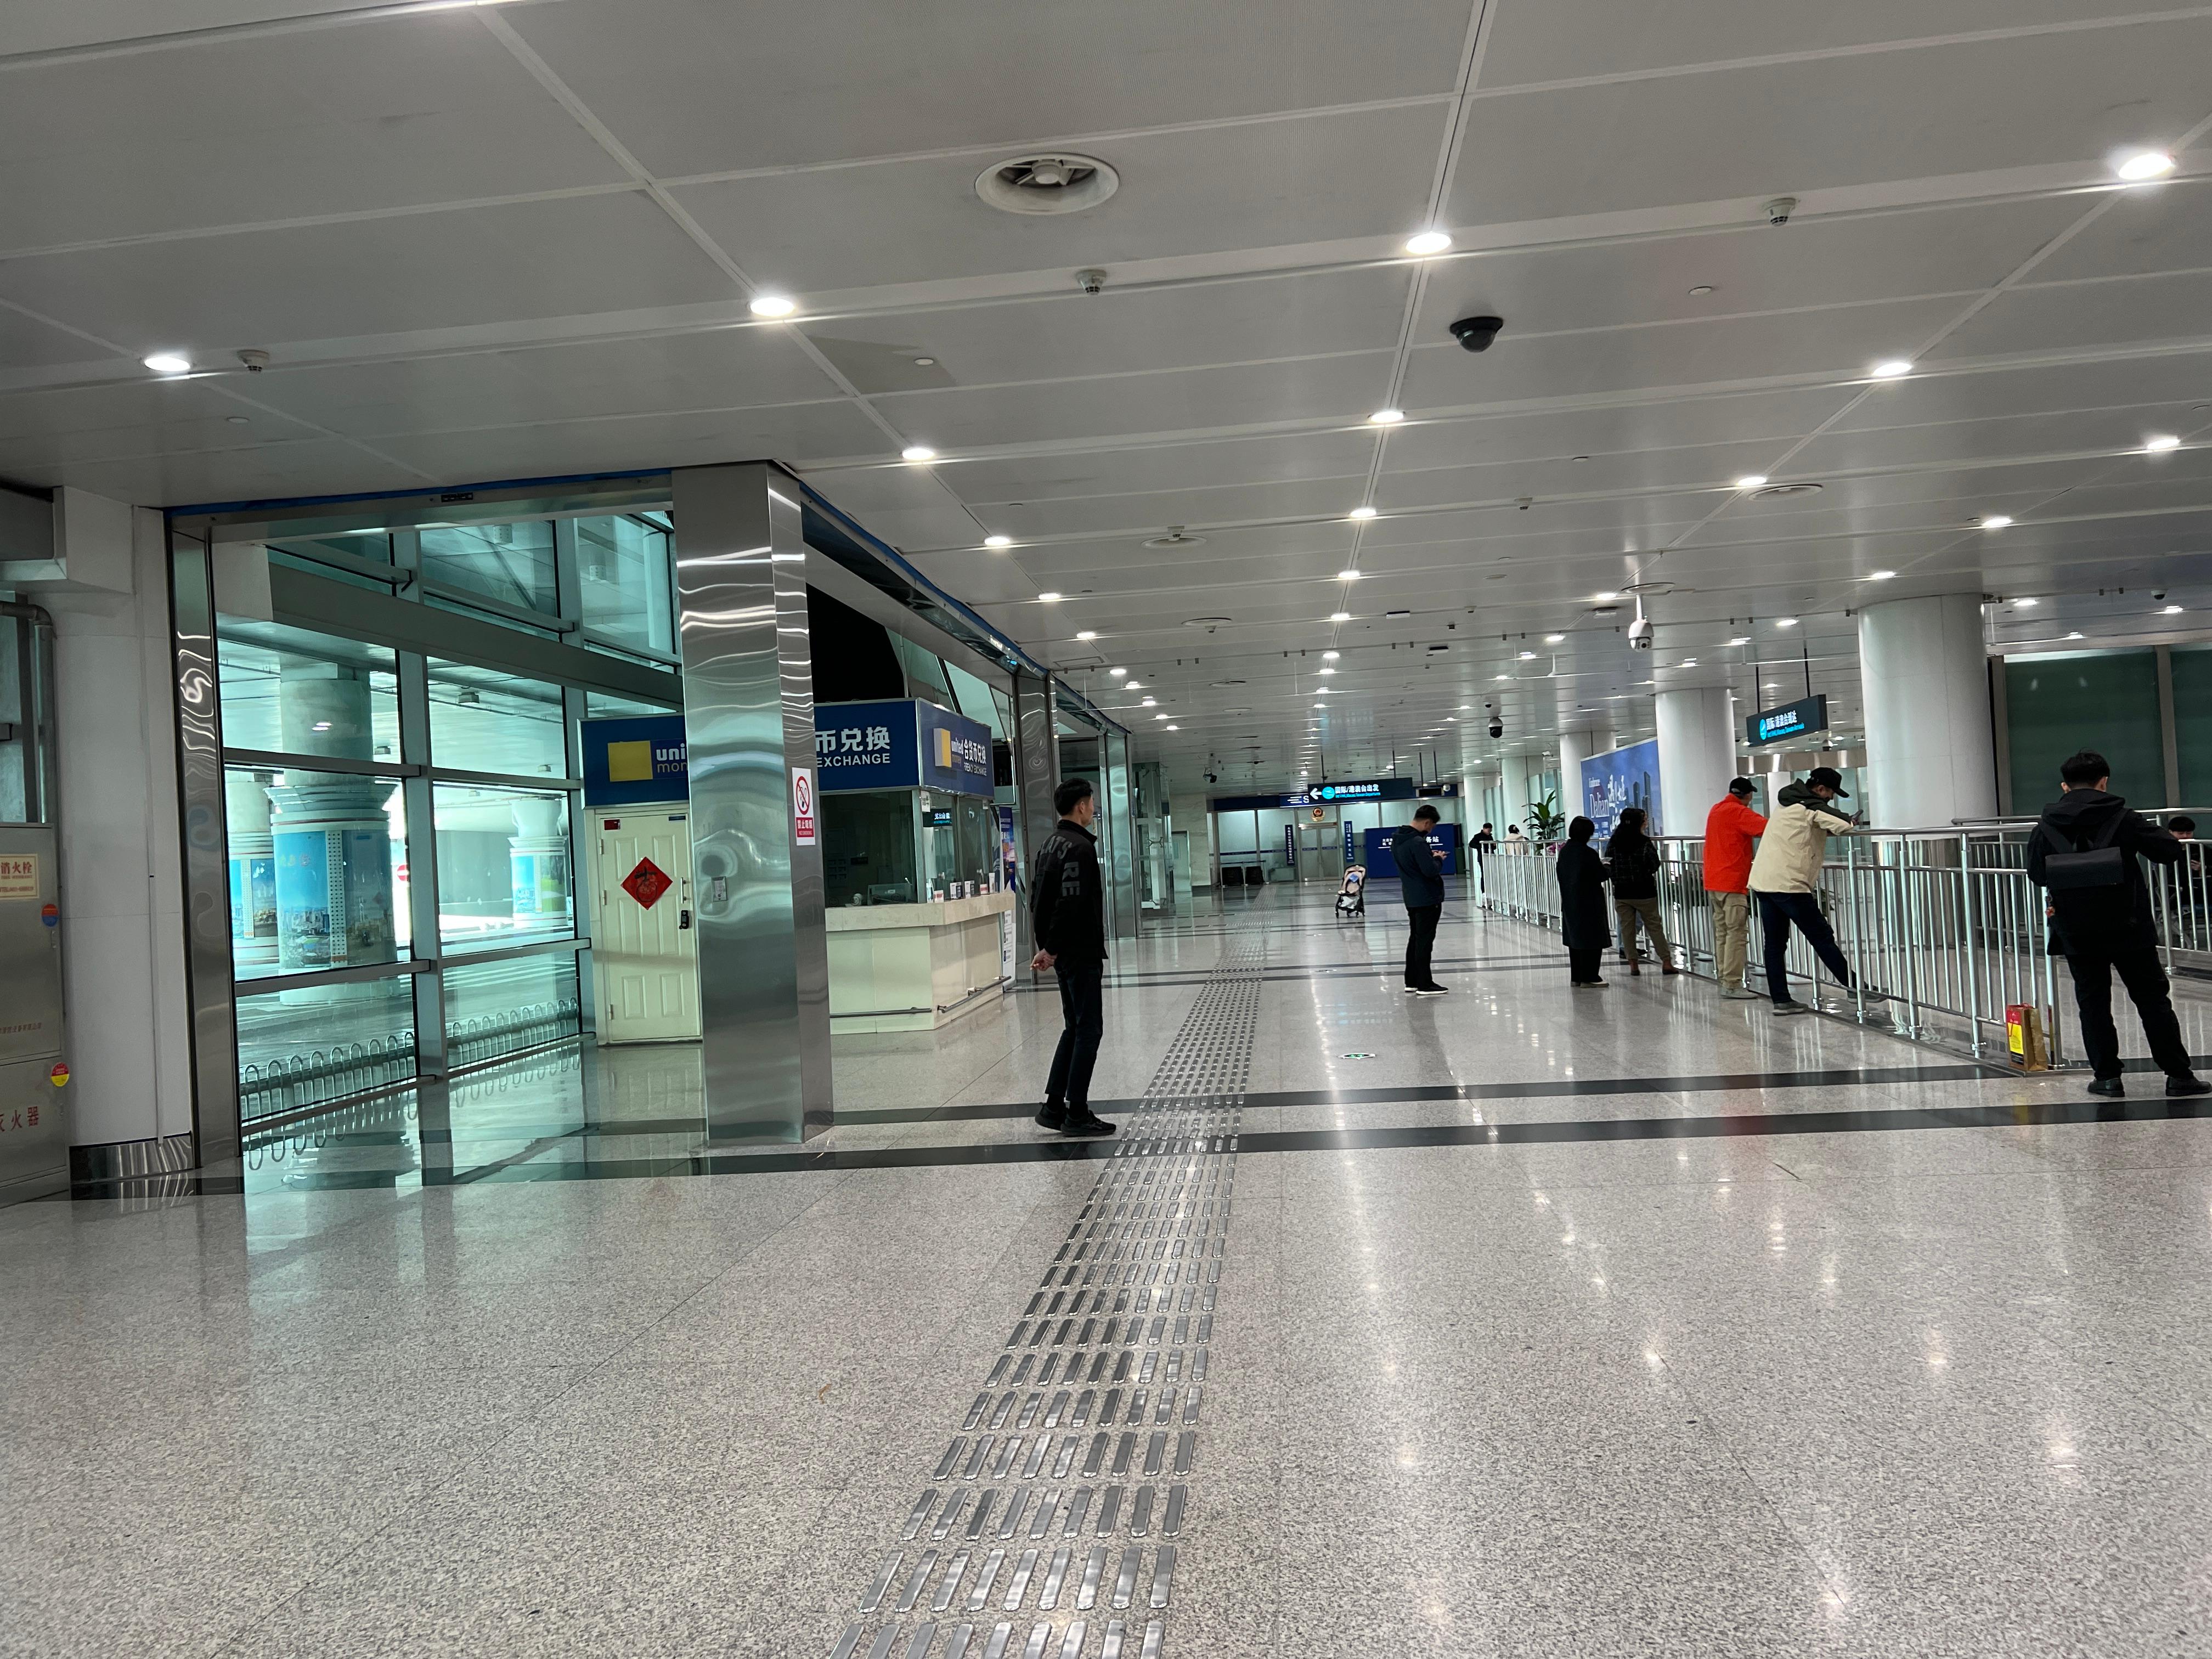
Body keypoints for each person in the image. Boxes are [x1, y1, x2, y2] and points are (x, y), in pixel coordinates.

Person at [2024, 752, 2208, 1099]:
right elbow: (2168, 851)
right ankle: (2179, 1076)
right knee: (2152, 1000)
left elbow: (2037, 874)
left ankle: (2107, 1078)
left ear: (2065, 786)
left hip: (2076, 927)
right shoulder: (2125, 818)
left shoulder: (2046, 825)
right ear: (2104, 782)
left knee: (2092, 1001)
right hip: (2129, 926)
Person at [1746, 766, 1882, 1015]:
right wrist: (1851, 820)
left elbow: (1804, 828)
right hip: (1789, 885)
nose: (1831, 798)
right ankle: (1856, 988)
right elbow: (1844, 824)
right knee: (1821, 936)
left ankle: (1781, 1000)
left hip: (1764, 882)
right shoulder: (1812, 806)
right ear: (1820, 789)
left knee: (1775, 944)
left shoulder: (1787, 803)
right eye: (1831, 793)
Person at [1030, 778, 1117, 1135]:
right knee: (1089, 1030)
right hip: (1078, 950)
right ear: (1081, 805)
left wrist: (1048, 946)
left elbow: (1038, 901)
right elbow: (1071, 904)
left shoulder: (1050, 844)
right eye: (1091, 802)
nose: (1093, 808)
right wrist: (1052, 949)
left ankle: (1054, 1106)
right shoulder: (1080, 848)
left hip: (1064, 951)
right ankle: (1077, 1112)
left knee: (1075, 1027)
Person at [1704, 777, 1768, 999]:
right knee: (1737, 934)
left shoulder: (1716, 810)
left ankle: (1724, 978)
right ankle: (1732, 984)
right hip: (1732, 882)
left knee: (1723, 932)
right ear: (1748, 795)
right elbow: (1767, 828)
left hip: (1714, 881)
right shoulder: (1739, 812)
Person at [1604, 806, 1680, 976]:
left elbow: (1608, 863)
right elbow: (1654, 864)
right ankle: (1666, 962)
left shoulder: (1614, 842)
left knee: (1627, 929)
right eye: (1644, 820)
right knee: (1654, 927)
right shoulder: (1644, 842)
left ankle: (1633, 964)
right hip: (1644, 892)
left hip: (1622, 893)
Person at [1391, 804, 1448, 996]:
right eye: (1432, 826)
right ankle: (1425, 984)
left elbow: (1414, 865)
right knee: (1424, 942)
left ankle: (1412, 981)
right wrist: (1438, 859)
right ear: (1427, 823)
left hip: (1412, 896)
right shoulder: (1417, 842)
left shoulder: (1398, 839)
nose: (1431, 830)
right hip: (1427, 898)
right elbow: (1430, 871)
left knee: (1415, 939)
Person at [1558, 817, 1611, 986]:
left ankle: (1577, 977)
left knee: (1575, 941)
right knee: (1593, 940)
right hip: (1589, 902)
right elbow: (1599, 875)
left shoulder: (1565, 852)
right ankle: (1590, 977)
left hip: (1570, 901)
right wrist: (1607, 867)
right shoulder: (1588, 853)